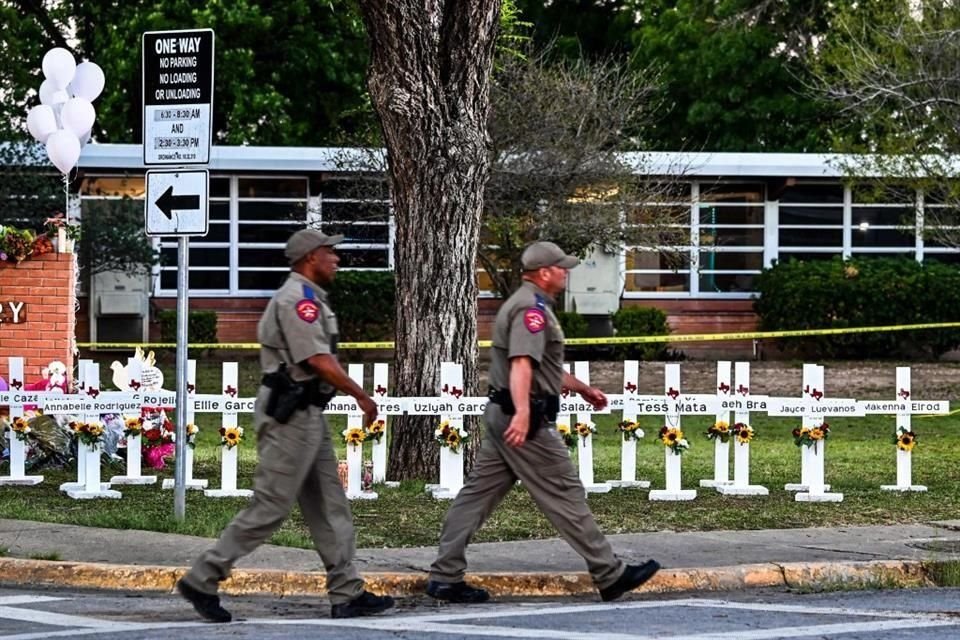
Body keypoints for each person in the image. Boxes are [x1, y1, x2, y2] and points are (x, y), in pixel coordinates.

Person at [177, 228, 395, 622]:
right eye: (331, 251)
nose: (337, 258)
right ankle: (203, 576)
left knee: (330, 505)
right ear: (311, 256)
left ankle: (347, 592)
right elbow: (317, 360)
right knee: (271, 506)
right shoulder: (298, 300)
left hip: (306, 413)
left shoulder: (309, 297)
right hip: (289, 416)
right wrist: (361, 395)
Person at [425, 241, 660, 604]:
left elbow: (541, 365)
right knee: (565, 493)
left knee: (475, 497)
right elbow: (522, 364)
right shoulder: (530, 309)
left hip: (508, 414)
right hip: (527, 421)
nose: (567, 272)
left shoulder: (531, 305)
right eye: (561, 267)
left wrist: (581, 388)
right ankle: (609, 573)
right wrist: (522, 413)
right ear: (544, 273)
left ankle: (444, 576)